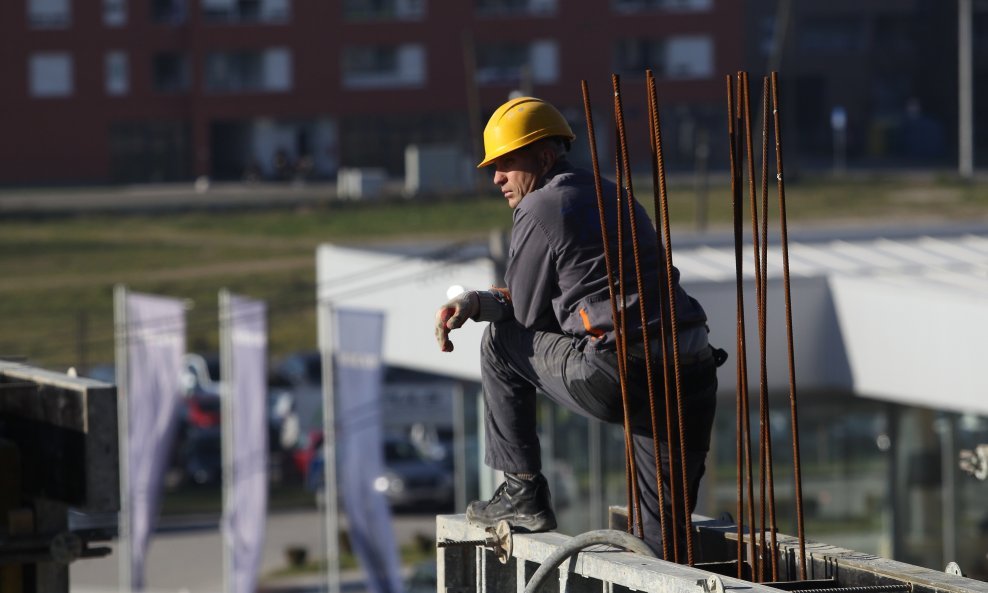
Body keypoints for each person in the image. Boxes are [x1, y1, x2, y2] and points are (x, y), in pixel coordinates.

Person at [433, 96, 722, 558]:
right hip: (691, 367)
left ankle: (522, 491)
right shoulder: (614, 193)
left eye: (507, 162)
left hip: (620, 369)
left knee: (500, 342)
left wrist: (477, 304)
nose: (497, 177)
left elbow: (526, 320)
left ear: (545, 157)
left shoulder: (539, 207)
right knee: (662, 540)